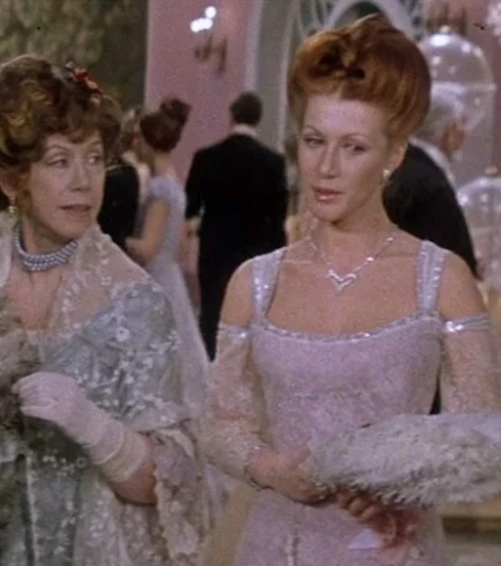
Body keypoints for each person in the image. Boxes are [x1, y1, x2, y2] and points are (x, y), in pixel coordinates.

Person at [203, 15, 501, 566]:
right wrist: (274, 470)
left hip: (393, 548)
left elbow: (480, 439)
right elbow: (223, 426)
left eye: (354, 147)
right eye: (314, 141)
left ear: (393, 155)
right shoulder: (255, 282)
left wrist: (402, 488)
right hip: (275, 544)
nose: (326, 167)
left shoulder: (441, 279)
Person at [0, 55, 207, 566]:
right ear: (12, 181)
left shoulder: (134, 299)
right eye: (59, 161)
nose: (83, 181)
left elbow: (172, 482)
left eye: (93, 158)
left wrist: (94, 427)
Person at [184, 92, 288, 360]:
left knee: (212, 313)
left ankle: (213, 366)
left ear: (231, 116)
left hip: (215, 250)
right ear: (258, 118)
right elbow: (278, 217)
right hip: (256, 252)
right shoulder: (273, 162)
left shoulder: (206, 157)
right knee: (251, 319)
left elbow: (191, 208)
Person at [126, 97, 208, 408]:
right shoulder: (173, 181)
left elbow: (148, 248)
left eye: (138, 137)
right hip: (169, 275)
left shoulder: (160, 189)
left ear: (148, 142)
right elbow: (180, 245)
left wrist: (113, 238)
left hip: (157, 278)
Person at [386, 85, 477, 275]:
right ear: (449, 131)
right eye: (461, 125)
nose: (465, 133)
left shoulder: (403, 168)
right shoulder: (428, 181)